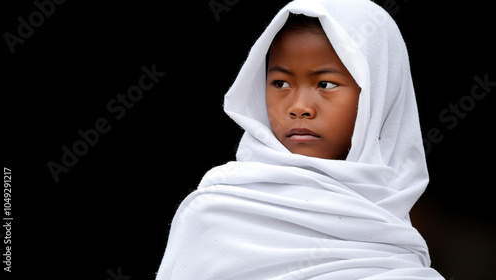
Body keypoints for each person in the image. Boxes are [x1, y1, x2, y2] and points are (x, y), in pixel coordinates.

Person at [156, 0, 445, 279]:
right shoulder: (215, 215)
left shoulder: (394, 241)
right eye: (280, 83)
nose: (299, 107)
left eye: (326, 84)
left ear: (380, 95)